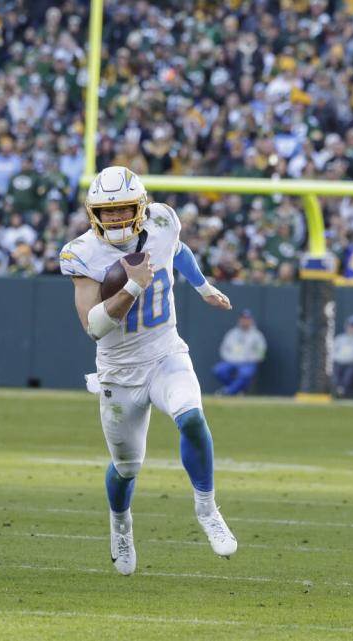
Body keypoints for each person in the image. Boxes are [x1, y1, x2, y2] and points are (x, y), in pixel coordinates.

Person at [59, 165, 237, 576]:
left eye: (124, 209)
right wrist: (133, 286)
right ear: (93, 214)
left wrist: (203, 286)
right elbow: (92, 326)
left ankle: (207, 509)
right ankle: (120, 526)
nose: (117, 219)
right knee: (127, 467)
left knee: (192, 418)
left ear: (139, 208)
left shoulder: (162, 220)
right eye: (108, 212)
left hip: (165, 354)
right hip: (119, 372)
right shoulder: (81, 252)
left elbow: (178, 251)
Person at [212, 309, 267, 396]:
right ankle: (236, 391)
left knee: (245, 374)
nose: (245, 321)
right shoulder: (232, 333)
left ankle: (227, 392)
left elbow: (262, 353)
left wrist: (251, 358)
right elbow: (224, 349)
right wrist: (231, 358)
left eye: (247, 319)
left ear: (251, 320)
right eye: (243, 319)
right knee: (219, 370)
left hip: (248, 363)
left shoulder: (257, 335)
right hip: (231, 362)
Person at [332, 315, 353, 399]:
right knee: (335, 379)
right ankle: (337, 394)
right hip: (339, 364)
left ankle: (344, 394)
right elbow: (333, 352)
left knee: (348, 378)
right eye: (351, 326)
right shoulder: (340, 338)